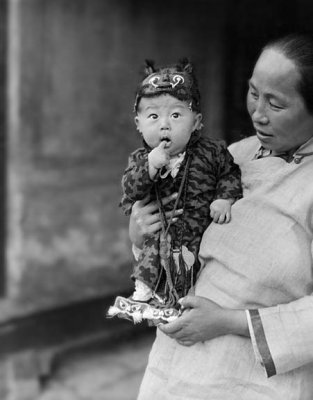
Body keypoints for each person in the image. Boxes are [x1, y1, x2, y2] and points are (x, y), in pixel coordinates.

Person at [130, 33, 313, 399]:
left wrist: (228, 321)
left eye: (275, 104)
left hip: (253, 383)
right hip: (173, 372)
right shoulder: (231, 156)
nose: (257, 113)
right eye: (254, 93)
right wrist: (142, 232)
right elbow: (179, 239)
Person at [107, 59, 242, 324]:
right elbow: (130, 189)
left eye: (176, 115)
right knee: (152, 264)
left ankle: (185, 304)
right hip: (159, 235)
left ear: (197, 122)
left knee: (192, 271)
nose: (164, 125)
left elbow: (229, 173)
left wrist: (224, 198)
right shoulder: (140, 158)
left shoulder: (212, 152)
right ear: (138, 123)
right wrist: (150, 167)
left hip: (196, 232)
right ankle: (145, 297)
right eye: (153, 117)